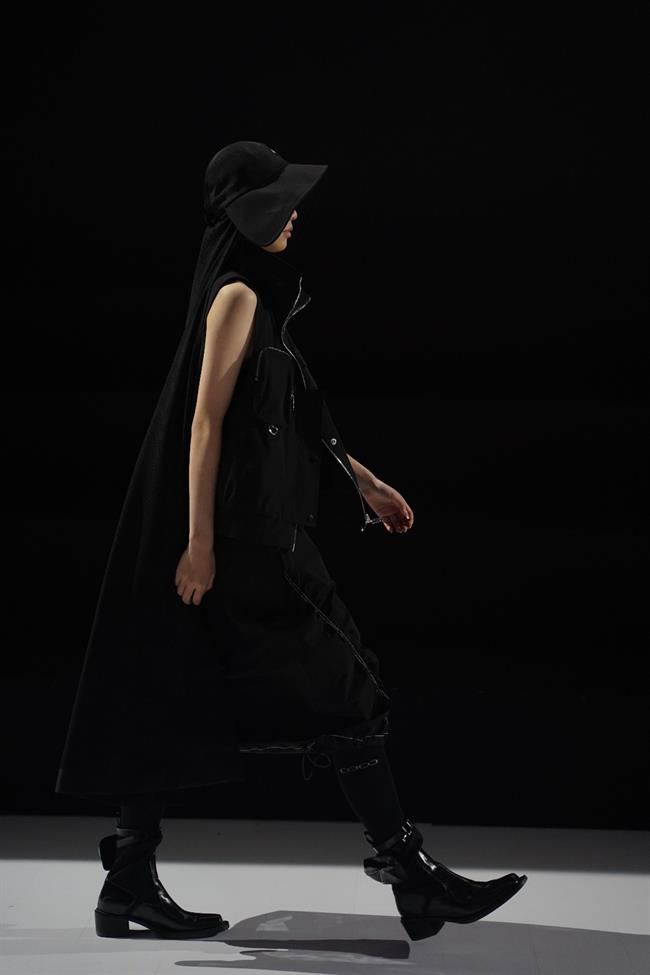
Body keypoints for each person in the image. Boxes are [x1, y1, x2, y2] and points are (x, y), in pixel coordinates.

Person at [56, 141, 527, 942]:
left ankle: (128, 881)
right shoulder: (237, 296)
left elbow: (296, 416)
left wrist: (365, 483)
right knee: (346, 686)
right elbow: (204, 424)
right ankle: (411, 875)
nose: (296, 212)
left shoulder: (264, 298)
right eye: (279, 202)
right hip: (250, 539)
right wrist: (199, 543)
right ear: (245, 214)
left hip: (262, 528)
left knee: (174, 683)